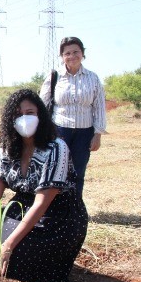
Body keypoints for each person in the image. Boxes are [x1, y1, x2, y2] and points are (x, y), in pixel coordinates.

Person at [0, 89, 88, 282]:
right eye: (18, 115)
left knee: (17, 254)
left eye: (30, 113)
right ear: (10, 120)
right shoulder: (7, 148)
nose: (24, 119)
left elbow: (41, 203)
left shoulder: (56, 148)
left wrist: (9, 245)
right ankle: (5, 257)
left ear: (41, 116)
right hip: (22, 207)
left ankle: (23, 261)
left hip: (58, 214)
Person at [40, 36, 106, 198]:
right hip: (59, 131)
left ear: (83, 53)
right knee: (56, 170)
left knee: (78, 171)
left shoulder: (93, 78)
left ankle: (75, 207)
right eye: (67, 53)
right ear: (62, 57)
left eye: (76, 52)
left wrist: (97, 135)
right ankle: (53, 205)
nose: (72, 56)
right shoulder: (54, 77)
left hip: (84, 133)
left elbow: (99, 107)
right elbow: (42, 105)